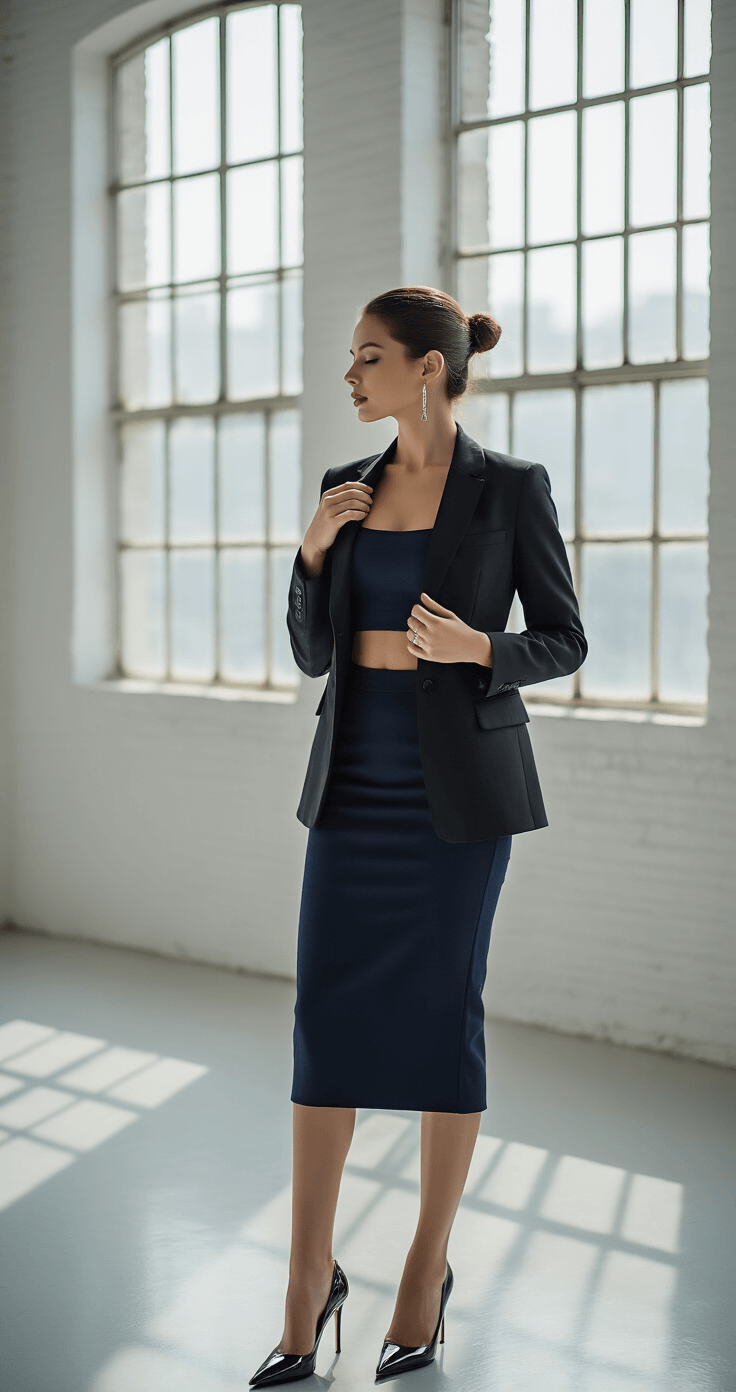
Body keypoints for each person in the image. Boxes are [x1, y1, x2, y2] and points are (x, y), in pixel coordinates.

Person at [249, 286, 587, 1387]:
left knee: (444, 1014)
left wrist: (478, 648)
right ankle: (306, 1284)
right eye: (352, 360)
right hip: (352, 789)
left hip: (459, 803)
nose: (351, 378)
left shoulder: (510, 490)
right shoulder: (342, 491)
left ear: (429, 370)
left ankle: (422, 1270)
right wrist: (310, 553)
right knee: (324, 1019)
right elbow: (314, 658)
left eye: (369, 358)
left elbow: (563, 639)